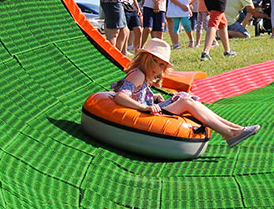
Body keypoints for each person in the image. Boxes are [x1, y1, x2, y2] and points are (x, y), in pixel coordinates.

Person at [111, 38, 261, 148]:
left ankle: (234, 129)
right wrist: (145, 107)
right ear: (150, 60)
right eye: (161, 64)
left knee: (185, 97)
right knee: (186, 102)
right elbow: (121, 96)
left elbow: (137, 93)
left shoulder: (140, 74)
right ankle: (229, 132)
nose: (161, 70)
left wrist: (152, 97)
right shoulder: (138, 75)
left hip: (150, 109)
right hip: (146, 114)